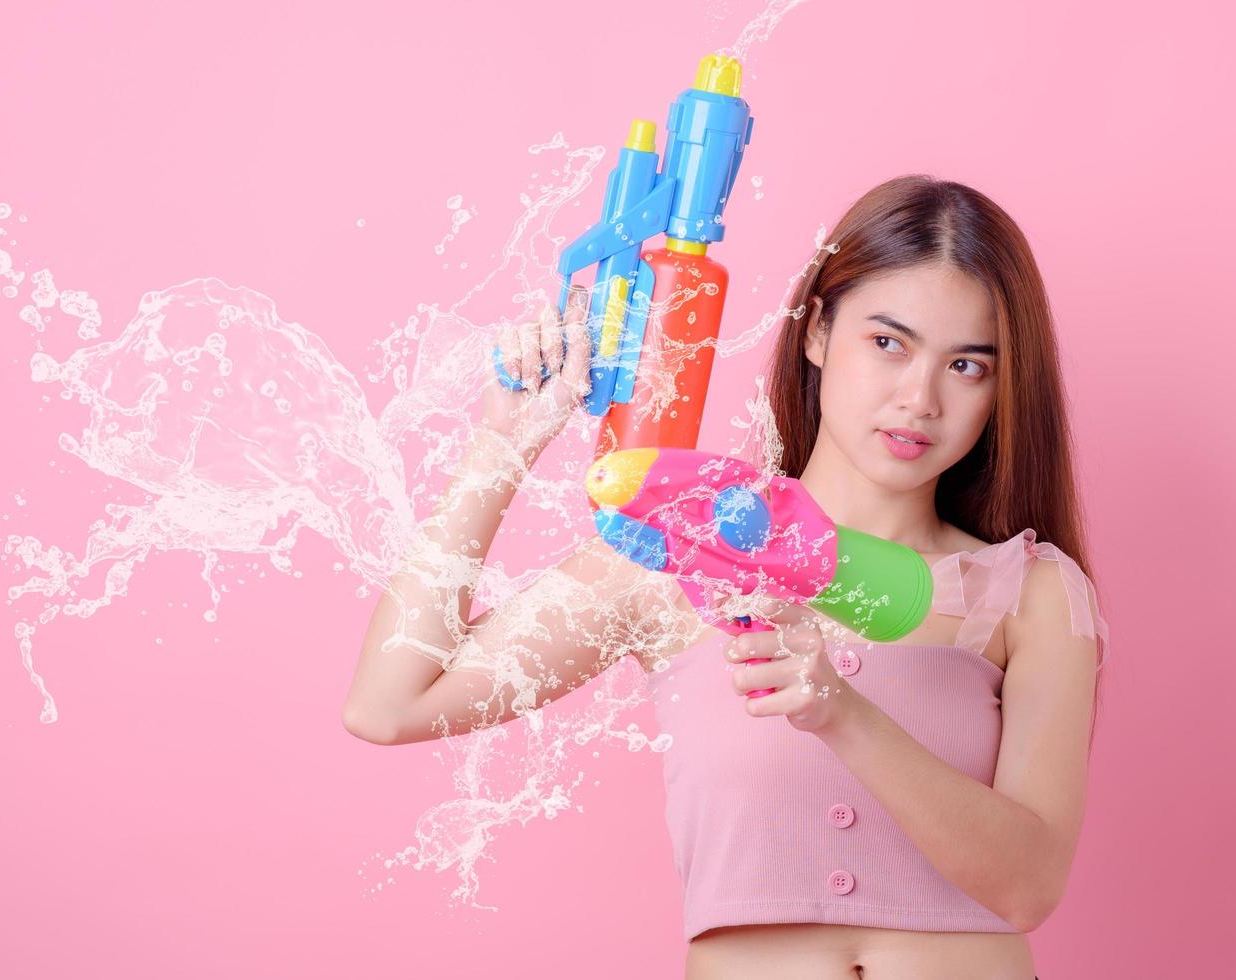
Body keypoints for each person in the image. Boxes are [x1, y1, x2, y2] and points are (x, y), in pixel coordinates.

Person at [344, 174, 1110, 980]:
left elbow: (1027, 887)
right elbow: (390, 704)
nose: (918, 399)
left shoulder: (1027, 590)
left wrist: (841, 712)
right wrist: (502, 447)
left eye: (966, 366)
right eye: (887, 343)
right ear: (816, 331)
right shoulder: (675, 550)